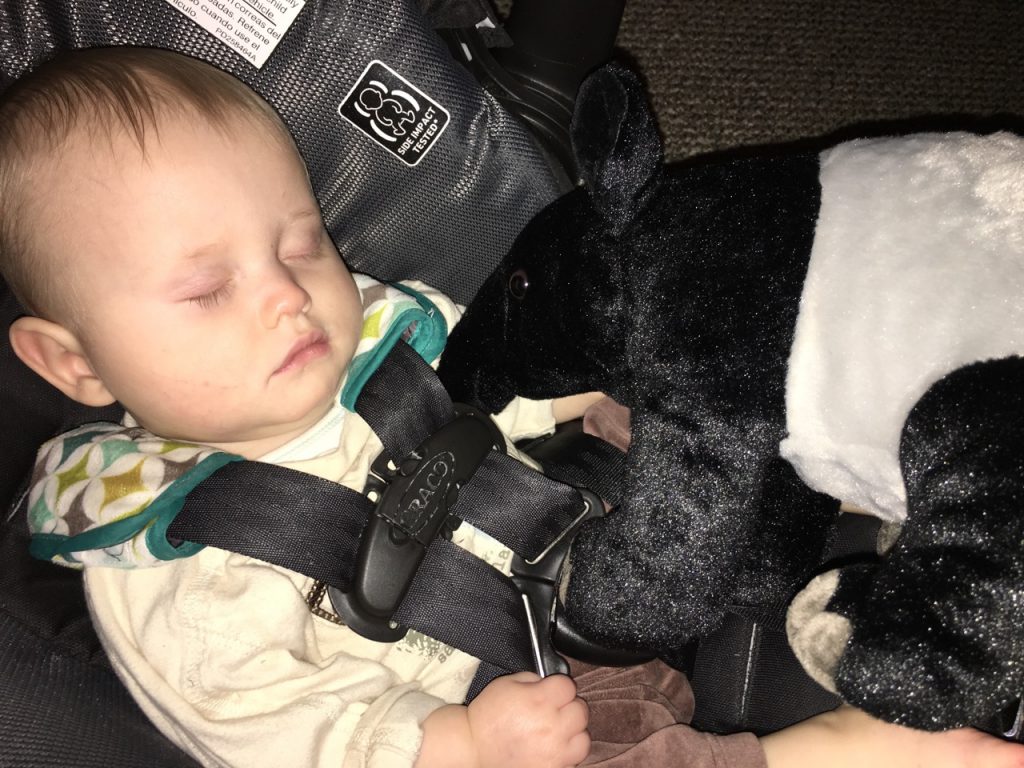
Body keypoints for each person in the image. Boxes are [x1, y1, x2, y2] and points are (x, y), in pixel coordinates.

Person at [1, 47, 1022, 768]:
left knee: (738, 437)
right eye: (204, 290)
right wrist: (447, 745)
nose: (281, 291)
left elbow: (497, 375)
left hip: (561, 577)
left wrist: (588, 396)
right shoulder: (175, 566)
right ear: (76, 364)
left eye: (299, 240)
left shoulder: (368, 333)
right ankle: (825, 756)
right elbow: (268, 732)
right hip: (447, 719)